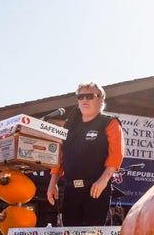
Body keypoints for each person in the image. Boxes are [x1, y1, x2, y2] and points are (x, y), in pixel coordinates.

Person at [47, 82, 124, 226]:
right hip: (70, 190)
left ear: (101, 99)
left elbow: (116, 155)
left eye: (90, 96)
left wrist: (103, 181)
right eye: (80, 97)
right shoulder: (69, 125)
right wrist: (53, 183)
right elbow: (59, 155)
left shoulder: (109, 123)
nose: (84, 100)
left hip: (95, 188)